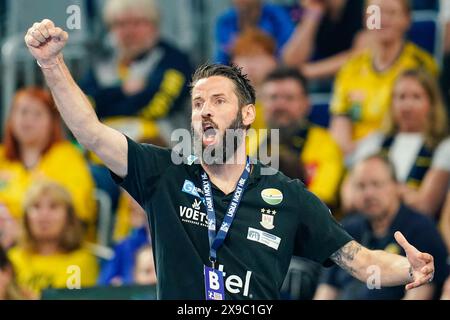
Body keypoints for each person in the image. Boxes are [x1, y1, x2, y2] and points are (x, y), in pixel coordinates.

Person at [25, 19, 435, 300]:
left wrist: (410, 269)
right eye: (197, 102)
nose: (203, 110)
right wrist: (51, 62)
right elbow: (90, 132)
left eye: (218, 101)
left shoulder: (287, 196)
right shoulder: (163, 174)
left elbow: (361, 262)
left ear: (248, 114)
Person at [315, 155, 449, 300]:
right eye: (361, 186)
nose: (368, 193)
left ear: (397, 186)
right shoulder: (346, 228)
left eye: (377, 184)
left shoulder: (422, 229)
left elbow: (420, 293)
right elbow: (326, 290)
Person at [329, 0, 438, 158]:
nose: (383, 19)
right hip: (354, 158)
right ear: (365, 19)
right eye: (375, 13)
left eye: (392, 13)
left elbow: (424, 123)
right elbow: (339, 124)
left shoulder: (421, 66)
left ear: (407, 20)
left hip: (402, 154)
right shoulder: (350, 68)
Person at [81, 0, 193, 144]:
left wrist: (104, 104)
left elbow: (158, 106)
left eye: (137, 23)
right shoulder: (101, 62)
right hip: (102, 157)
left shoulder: (174, 60)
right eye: (120, 24)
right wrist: (122, 91)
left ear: (154, 25)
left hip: (162, 153)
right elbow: (84, 105)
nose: (129, 32)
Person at [346, 69, 449, 215]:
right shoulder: (375, 141)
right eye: (401, 97)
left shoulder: (444, 146)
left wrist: (376, 191)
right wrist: (403, 192)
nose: (407, 106)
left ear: (432, 103)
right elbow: (349, 198)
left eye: (416, 97)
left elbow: (425, 205)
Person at [0, 87, 96, 232]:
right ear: (11, 118)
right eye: (23, 111)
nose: (28, 119)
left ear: (52, 122)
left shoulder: (67, 156)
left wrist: (20, 227)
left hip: (57, 244)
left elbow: (77, 210)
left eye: (37, 114)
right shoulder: (2, 156)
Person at [255, 67, 343, 206]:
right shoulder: (248, 142)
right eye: (273, 97)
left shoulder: (325, 144)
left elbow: (320, 199)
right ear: (262, 104)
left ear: (306, 104)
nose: (280, 105)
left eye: (289, 98)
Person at [7, 181, 99, 297]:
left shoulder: (81, 262)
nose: (44, 215)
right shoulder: (12, 258)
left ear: (69, 217)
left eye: (53, 207)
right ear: (25, 218)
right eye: (36, 207)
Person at [283, 0, 364, 82]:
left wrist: (306, 72)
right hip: (319, 83)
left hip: (359, 80)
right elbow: (292, 62)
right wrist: (313, 13)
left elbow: (363, 55)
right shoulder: (311, 8)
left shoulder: (366, 5)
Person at [215, 0, 294, 65]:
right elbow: (223, 57)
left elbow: (286, 50)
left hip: (274, 71)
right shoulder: (226, 21)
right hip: (236, 73)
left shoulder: (276, 16)